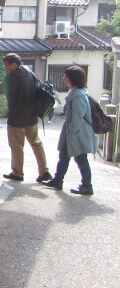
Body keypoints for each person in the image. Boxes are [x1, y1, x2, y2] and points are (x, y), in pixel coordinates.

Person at [42, 66, 97, 195]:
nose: (64, 79)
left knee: (80, 159)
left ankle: (86, 185)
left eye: (66, 76)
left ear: (73, 79)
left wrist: (70, 131)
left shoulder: (77, 96)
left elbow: (77, 117)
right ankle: (58, 180)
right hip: (75, 133)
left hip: (77, 133)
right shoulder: (78, 93)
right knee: (66, 157)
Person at [1, 53, 52, 182]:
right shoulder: (29, 72)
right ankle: (44, 171)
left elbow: (0, 88)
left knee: (17, 146)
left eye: (7, 65)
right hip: (32, 116)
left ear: (14, 64)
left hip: (17, 118)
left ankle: (17, 173)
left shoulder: (12, 78)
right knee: (36, 144)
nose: (5, 67)